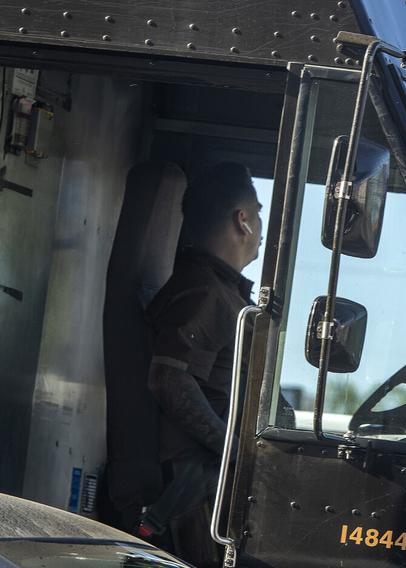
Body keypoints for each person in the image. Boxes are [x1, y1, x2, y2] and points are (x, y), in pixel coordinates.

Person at [137, 163, 282, 564]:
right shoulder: (203, 292)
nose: (261, 222)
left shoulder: (225, 294)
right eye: (259, 211)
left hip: (213, 488)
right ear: (243, 220)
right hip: (198, 493)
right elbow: (169, 379)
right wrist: (237, 452)